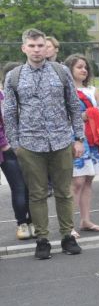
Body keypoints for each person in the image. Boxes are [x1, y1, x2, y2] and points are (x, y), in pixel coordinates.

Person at [3, 29, 84, 259]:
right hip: (29, 144)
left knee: (63, 192)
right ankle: (42, 239)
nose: (37, 50)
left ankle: (67, 236)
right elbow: (9, 113)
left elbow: (74, 106)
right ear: (24, 48)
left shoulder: (61, 72)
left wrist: (78, 138)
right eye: (32, 46)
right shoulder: (14, 77)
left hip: (61, 141)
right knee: (36, 194)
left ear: (46, 47)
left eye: (40, 45)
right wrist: (16, 143)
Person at [65, 54, 99, 233]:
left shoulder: (92, 90)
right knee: (77, 182)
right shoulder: (65, 91)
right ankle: (68, 226)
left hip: (93, 139)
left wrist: (93, 114)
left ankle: (85, 220)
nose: (84, 70)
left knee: (88, 181)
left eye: (85, 67)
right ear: (69, 70)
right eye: (79, 67)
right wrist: (83, 116)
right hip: (75, 139)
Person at [0, 80, 33, 240]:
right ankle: (24, 223)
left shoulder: (6, 96)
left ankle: (27, 224)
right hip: (10, 148)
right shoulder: (6, 96)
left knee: (26, 187)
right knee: (21, 187)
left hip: (20, 146)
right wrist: (4, 144)